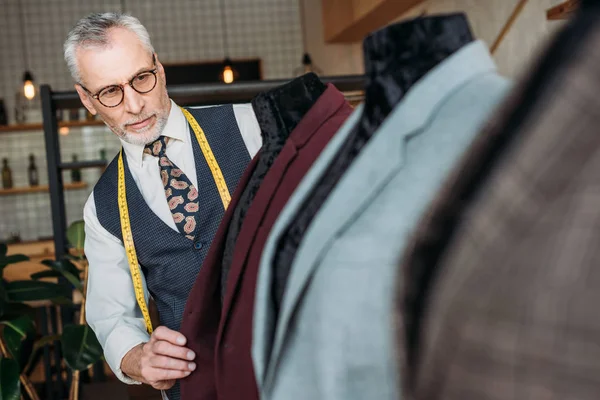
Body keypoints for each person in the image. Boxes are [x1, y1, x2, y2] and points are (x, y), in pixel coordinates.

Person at [65, 13, 262, 399]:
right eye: (110, 92)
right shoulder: (102, 207)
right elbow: (111, 316)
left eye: (141, 78)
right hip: (198, 389)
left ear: (160, 68)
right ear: (87, 100)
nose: (135, 104)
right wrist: (138, 357)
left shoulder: (250, 127)